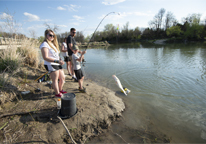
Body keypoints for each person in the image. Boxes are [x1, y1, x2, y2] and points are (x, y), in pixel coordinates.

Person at [40, 29, 67, 98]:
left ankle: (60, 90)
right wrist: (57, 61)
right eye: (50, 35)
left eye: (53, 35)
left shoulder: (52, 44)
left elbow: (56, 55)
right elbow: (45, 57)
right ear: (46, 35)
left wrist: (60, 59)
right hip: (51, 64)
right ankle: (57, 93)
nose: (52, 37)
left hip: (57, 64)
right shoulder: (44, 44)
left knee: (62, 78)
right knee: (55, 80)